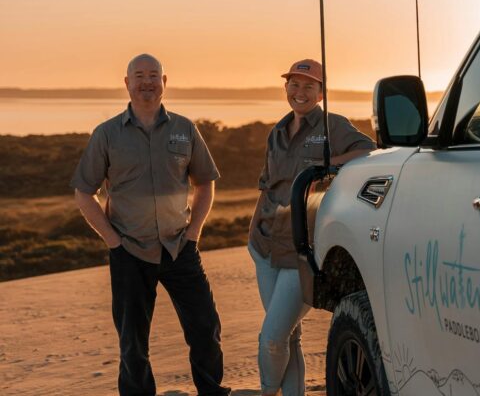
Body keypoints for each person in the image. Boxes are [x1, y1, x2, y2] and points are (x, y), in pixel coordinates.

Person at [71, 54, 230, 396]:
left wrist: (194, 234)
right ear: (126, 83)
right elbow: (84, 193)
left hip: (179, 248)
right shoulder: (107, 134)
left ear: (164, 81)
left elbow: (205, 182)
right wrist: (114, 241)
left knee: (205, 329)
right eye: (139, 75)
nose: (147, 82)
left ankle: (212, 391)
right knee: (132, 342)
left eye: (153, 75)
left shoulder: (184, 129)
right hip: (129, 250)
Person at [248, 59, 375, 396]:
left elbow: (370, 152)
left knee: (273, 337)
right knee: (290, 335)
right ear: (286, 87)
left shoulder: (333, 126)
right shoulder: (276, 132)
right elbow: (267, 185)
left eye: (308, 86)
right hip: (264, 247)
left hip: (302, 250)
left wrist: (330, 164)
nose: (299, 91)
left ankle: (267, 390)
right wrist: (253, 233)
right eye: (294, 84)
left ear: (321, 92)